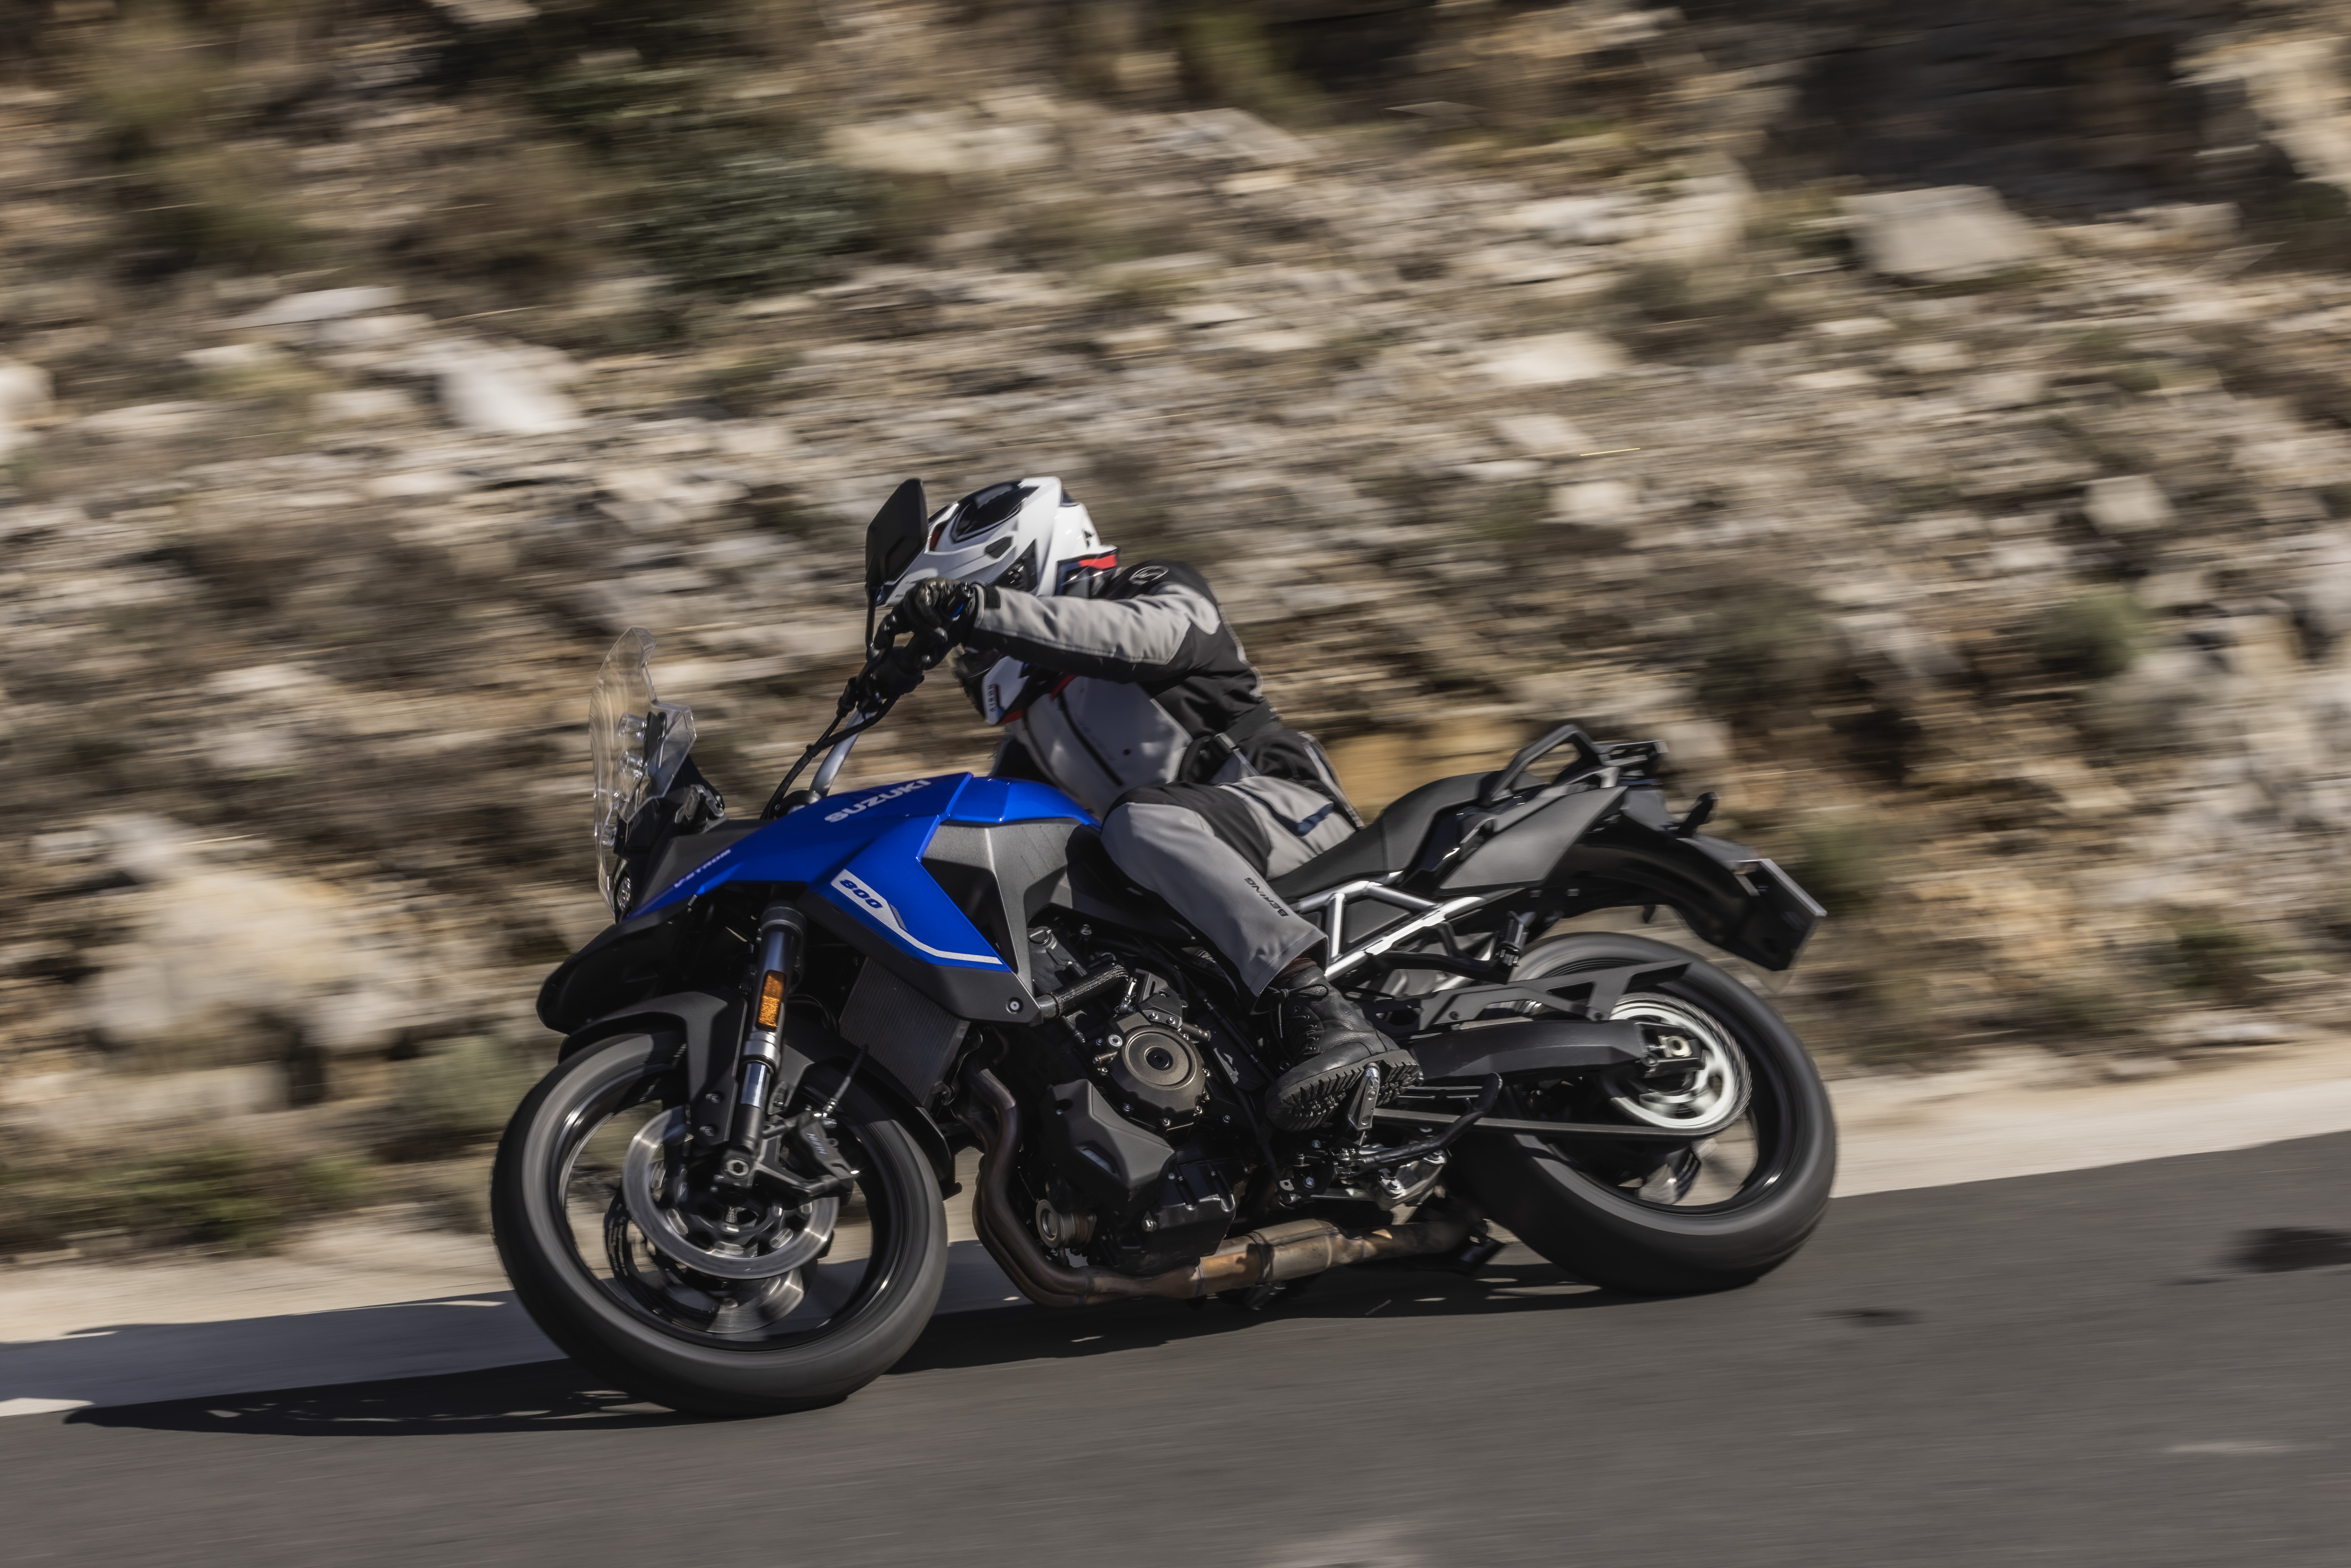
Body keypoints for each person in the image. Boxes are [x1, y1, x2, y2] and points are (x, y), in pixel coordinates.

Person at [874, 476, 1418, 1130]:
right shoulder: (1031, 737)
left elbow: (1140, 638)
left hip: (1288, 815)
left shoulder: (1153, 590)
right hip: (1186, 876)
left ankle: (1320, 1009)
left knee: (1141, 819)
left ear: (1021, 574)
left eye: (980, 597)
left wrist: (980, 609)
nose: (972, 649)